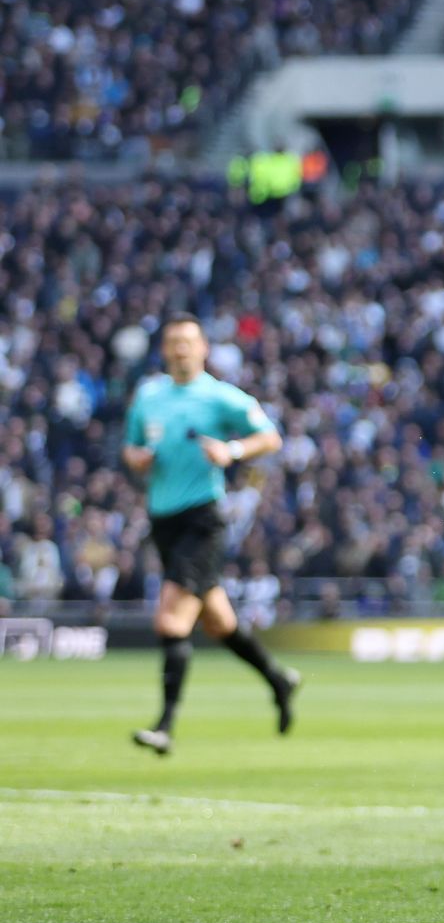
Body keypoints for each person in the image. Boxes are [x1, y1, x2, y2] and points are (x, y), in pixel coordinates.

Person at [121, 314, 297, 755]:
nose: (181, 349)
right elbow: (130, 445)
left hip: (203, 520)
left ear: (203, 349)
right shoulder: (149, 395)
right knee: (219, 623)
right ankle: (279, 679)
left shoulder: (220, 397)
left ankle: (164, 726)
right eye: (173, 342)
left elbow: (270, 438)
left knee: (170, 621)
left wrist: (231, 450)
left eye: (188, 342)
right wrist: (137, 458)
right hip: (163, 520)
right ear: (164, 350)